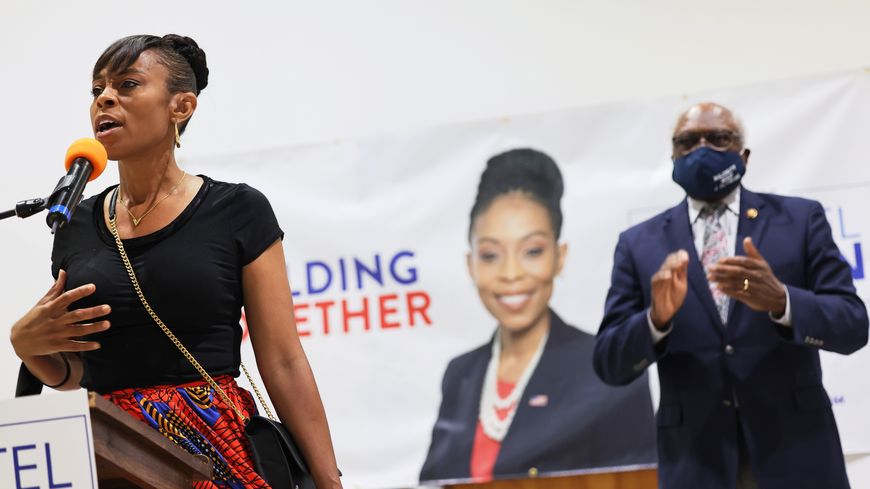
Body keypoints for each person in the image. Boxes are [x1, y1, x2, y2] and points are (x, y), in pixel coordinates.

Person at [9, 35, 341, 489]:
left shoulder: (236, 210)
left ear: (180, 107)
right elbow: (81, 371)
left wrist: (329, 482)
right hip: (110, 449)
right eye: (97, 90)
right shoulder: (75, 220)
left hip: (212, 443)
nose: (105, 98)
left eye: (127, 84)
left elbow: (283, 359)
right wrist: (28, 346)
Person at [594, 102, 869, 489]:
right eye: (687, 142)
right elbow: (609, 363)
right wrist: (655, 321)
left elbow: (853, 326)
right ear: (673, 156)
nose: (702, 149)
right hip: (696, 462)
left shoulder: (799, 220)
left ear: (744, 154)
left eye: (719, 139)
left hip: (797, 454)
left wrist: (783, 302)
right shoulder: (639, 244)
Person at [420, 149, 656, 483]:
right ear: (470, 264)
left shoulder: (606, 369)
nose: (511, 273)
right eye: (490, 255)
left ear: (560, 257)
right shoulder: (461, 374)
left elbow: (635, 481)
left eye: (532, 251)